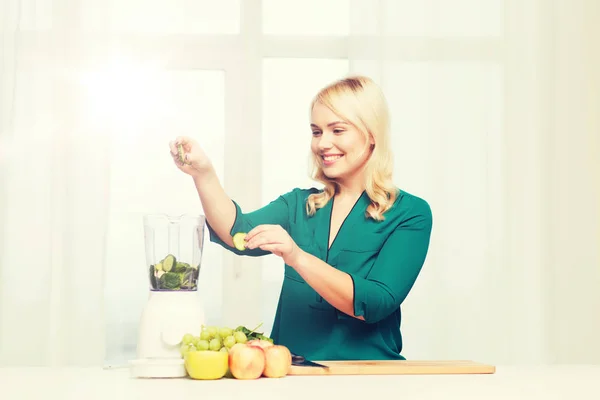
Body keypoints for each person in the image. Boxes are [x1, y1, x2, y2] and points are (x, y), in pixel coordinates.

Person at [169, 75, 433, 361]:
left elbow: (375, 302)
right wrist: (203, 174)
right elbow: (236, 232)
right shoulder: (300, 204)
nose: (323, 144)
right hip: (292, 373)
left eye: (337, 130)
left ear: (371, 135)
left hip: (366, 377)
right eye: (317, 132)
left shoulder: (410, 214)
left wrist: (297, 256)